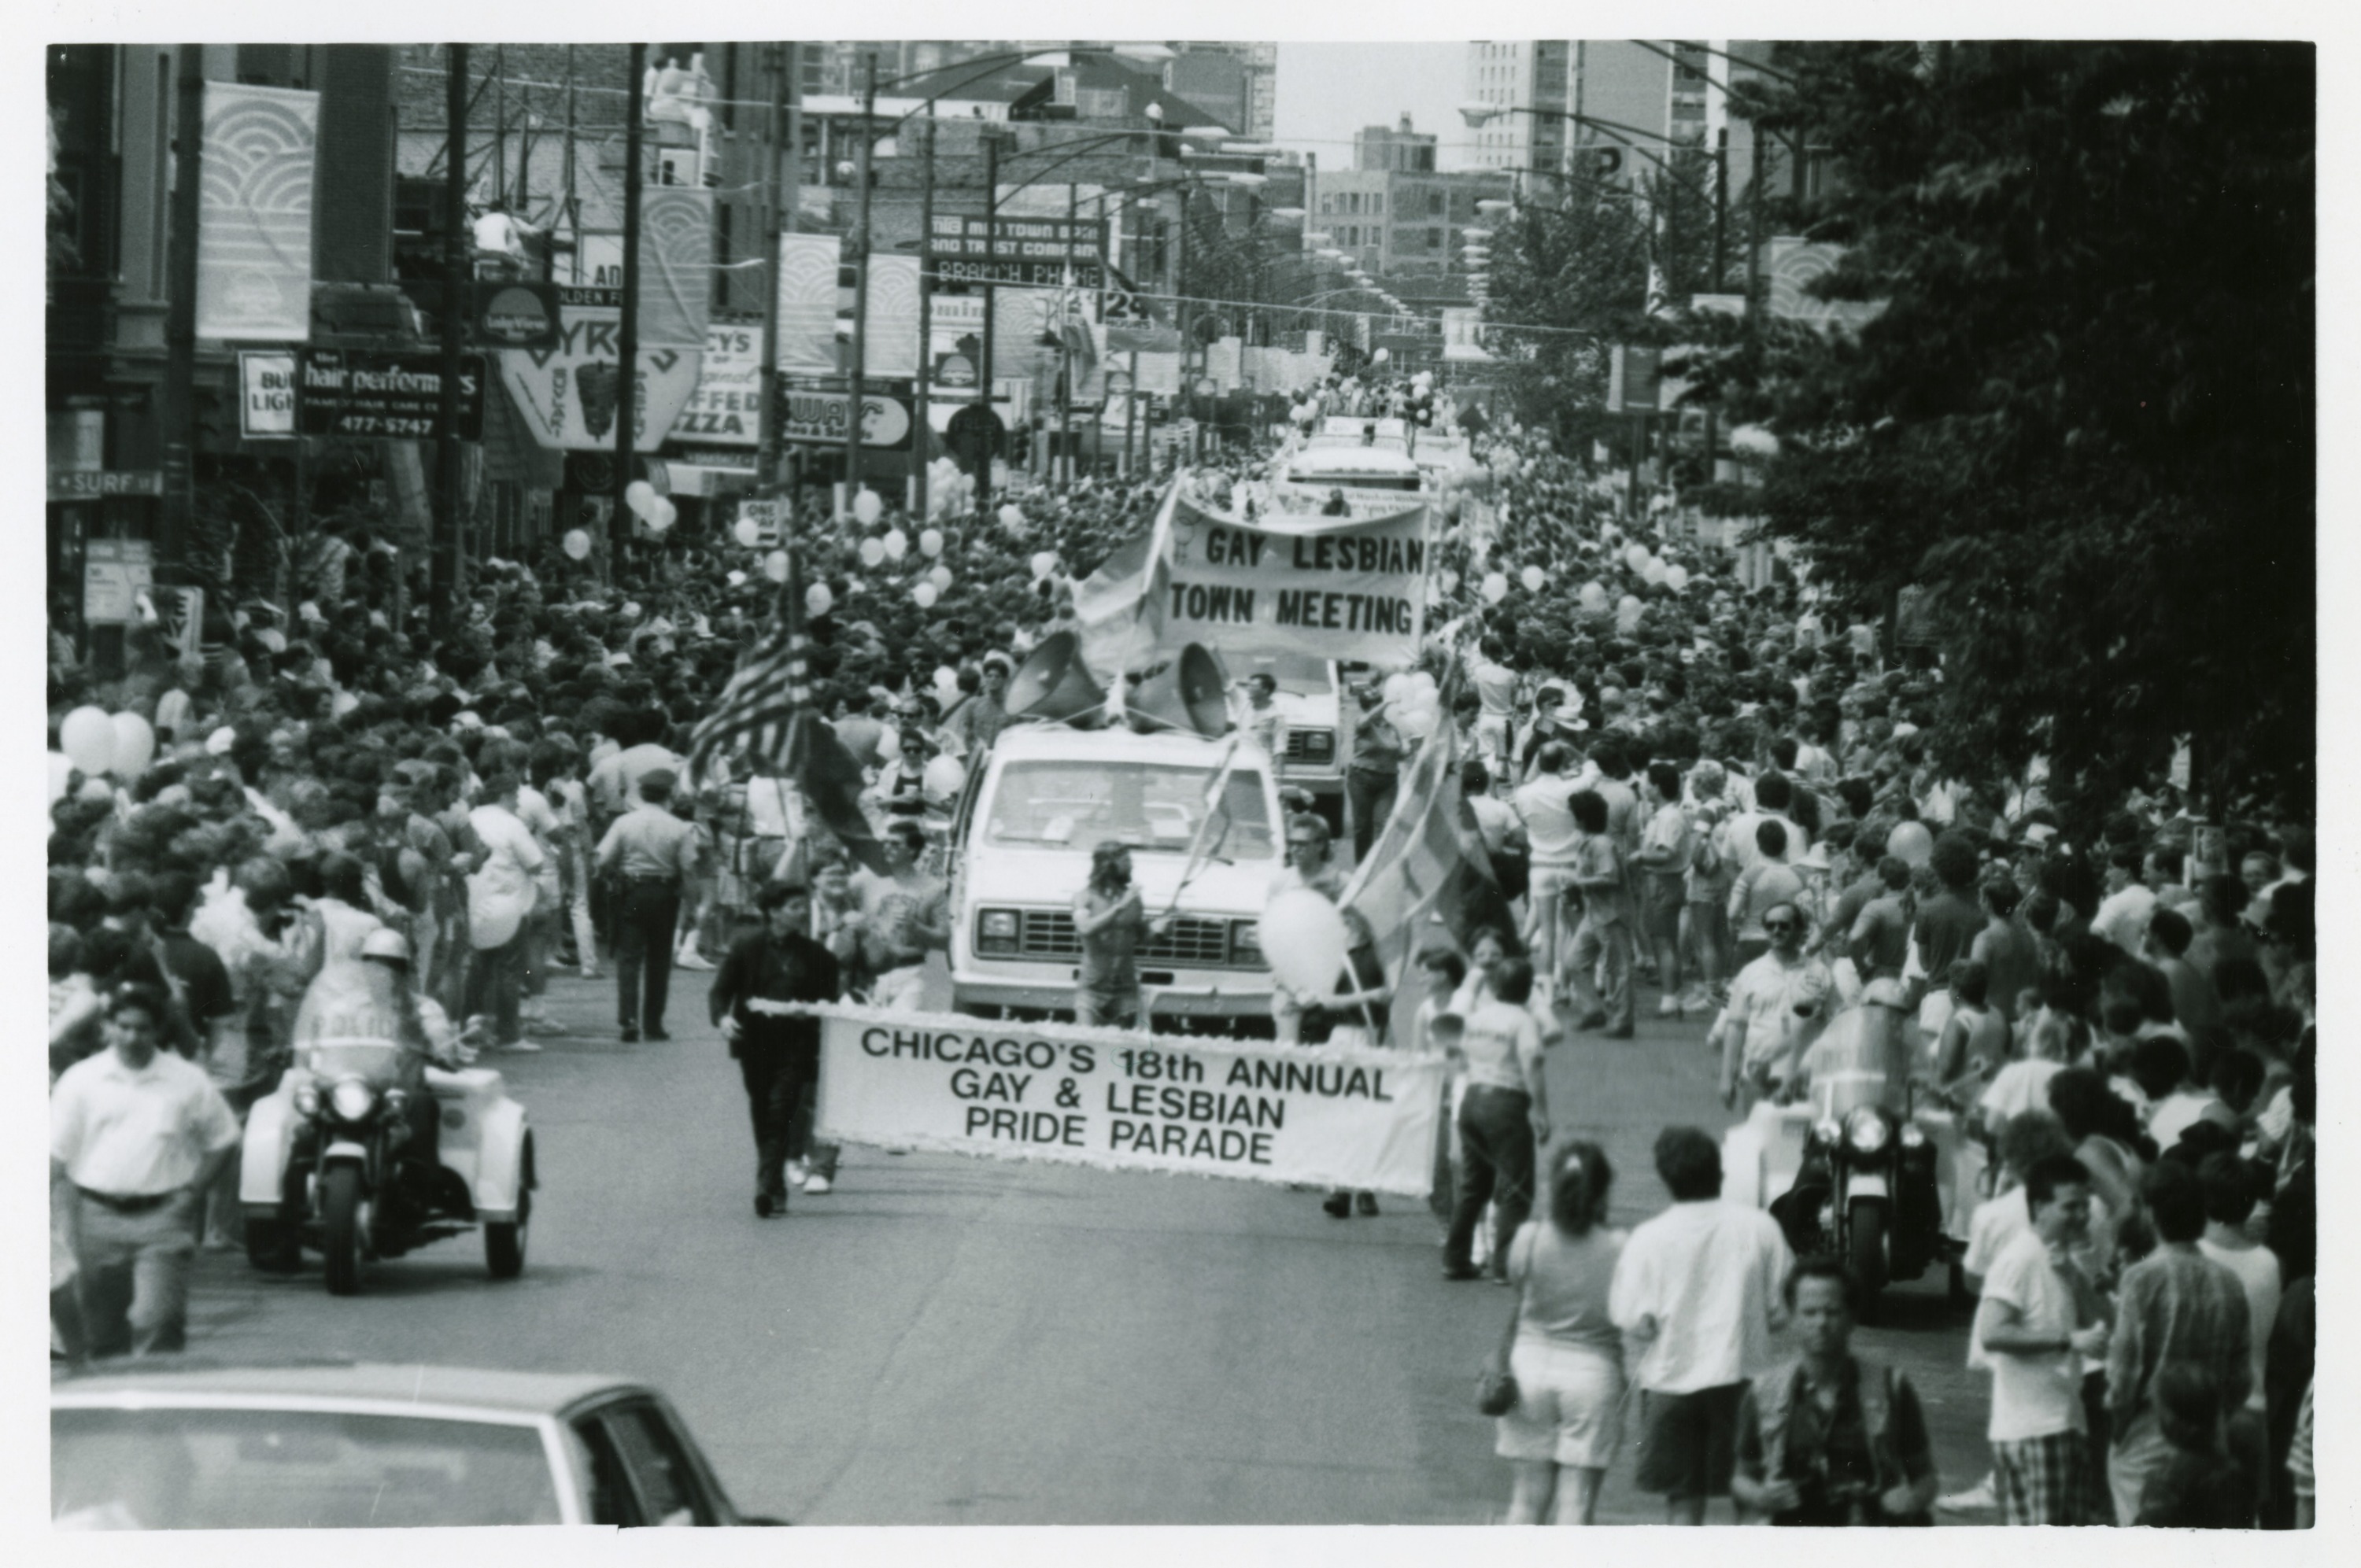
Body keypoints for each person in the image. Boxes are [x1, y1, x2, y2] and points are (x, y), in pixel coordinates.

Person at [1608, 1126, 1794, 1525]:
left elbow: (1635, 1323)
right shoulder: (1761, 1228)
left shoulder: (1648, 1238)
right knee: (1750, 1498)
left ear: (1665, 1179)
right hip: (1745, 1380)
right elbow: (1781, 1313)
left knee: (1684, 1503)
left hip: (1671, 1384)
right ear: (1721, 1172)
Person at [50, 984, 243, 1360]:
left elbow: (224, 1139)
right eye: (123, 1027)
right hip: (96, 1219)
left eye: (142, 1029)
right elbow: (55, 1152)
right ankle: (110, 1409)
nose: (132, 1037)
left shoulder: (185, 1080)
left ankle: (157, 1411)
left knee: (158, 1320)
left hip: (164, 1219)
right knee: (103, 1333)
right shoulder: (81, 1080)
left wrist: (193, 1192)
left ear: (157, 1031)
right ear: (107, 1027)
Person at [1730, 1257, 1941, 1526]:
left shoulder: (1891, 1388)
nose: (1821, 1322)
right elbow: (1741, 1478)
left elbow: (1926, 1477)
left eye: (1832, 1311)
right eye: (1809, 1312)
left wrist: (1912, 1498)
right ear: (1793, 1318)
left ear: (1852, 1318)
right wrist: (1761, 1496)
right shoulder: (1764, 1392)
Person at [2107, 1158, 2253, 1525]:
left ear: (2152, 1214)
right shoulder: (2228, 1282)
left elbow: (2124, 1375)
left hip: (2148, 1430)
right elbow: (2241, 1377)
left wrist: (2119, 1430)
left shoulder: (2140, 1279)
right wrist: (2217, 1416)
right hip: (2210, 1436)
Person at [1488, 1142, 1627, 1525]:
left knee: (1526, 1502)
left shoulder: (1529, 1238)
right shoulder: (1619, 1248)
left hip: (1529, 1371)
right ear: (1603, 1192)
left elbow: (1518, 1288)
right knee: (1575, 1506)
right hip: (1593, 1378)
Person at [1975, 1153, 2114, 1525]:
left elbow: (2103, 1320)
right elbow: (1992, 1332)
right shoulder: (2020, 1259)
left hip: (2063, 1424)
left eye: (2085, 1206)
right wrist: (2068, 1340)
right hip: (2035, 1431)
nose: (2082, 1216)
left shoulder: (2059, 1258)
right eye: (2070, 1207)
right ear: (2040, 1207)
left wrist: (2072, 1273)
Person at [708, 880, 841, 1218]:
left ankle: (767, 1185)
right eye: (794, 907)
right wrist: (723, 1019)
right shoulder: (746, 947)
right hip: (754, 1042)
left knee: (782, 1109)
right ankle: (772, 1178)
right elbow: (721, 991)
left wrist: (809, 1010)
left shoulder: (818, 956)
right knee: (761, 1109)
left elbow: (830, 1002)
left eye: (802, 907)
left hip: (796, 1045)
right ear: (773, 912)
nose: (801, 913)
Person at [1443, 957, 1551, 1283]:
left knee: (1474, 1185)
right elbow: (1532, 1061)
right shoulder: (1522, 1020)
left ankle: (1455, 1257)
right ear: (1528, 989)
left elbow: (1457, 1052)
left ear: (1494, 987)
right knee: (1516, 1186)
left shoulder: (1477, 1018)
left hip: (1473, 1097)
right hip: (1506, 1102)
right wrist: (1542, 1112)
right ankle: (1505, 1265)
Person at [596, 768, 700, 1042]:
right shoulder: (678, 827)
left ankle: (628, 1019)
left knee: (628, 957)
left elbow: (603, 859)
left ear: (641, 793)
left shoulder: (624, 823)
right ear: (669, 795)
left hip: (632, 892)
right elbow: (689, 871)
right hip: (665, 894)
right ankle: (654, 1023)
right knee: (659, 959)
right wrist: (692, 908)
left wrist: (613, 875)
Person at [1713, 902, 1831, 1109]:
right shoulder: (1751, 973)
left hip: (1805, 1077)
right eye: (1770, 925)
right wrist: (1726, 1078)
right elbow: (1736, 1027)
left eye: (1784, 925)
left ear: (1800, 930)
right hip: (1759, 1075)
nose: (1776, 930)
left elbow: (1836, 1024)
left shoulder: (1819, 972)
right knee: (1760, 1139)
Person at [463, 768, 545, 1052]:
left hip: (473, 901)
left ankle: (473, 1028)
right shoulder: (513, 825)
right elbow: (535, 863)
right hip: (507, 904)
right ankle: (508, 1033)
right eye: (515, 797)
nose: (518, 803)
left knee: (478, 969)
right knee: (509, 969)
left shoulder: (469, 818)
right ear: (505, 795)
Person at [847, 818, 949, 1013]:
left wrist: (916, 928)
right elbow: (832, 895)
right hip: (869, 973)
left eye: (895, 844)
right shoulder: (864, 880)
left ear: (912, 850)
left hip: (911, 974)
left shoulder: (932, 889)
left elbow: (944, 940)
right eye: (884, 843)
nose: (886, 848)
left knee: (901, 1029)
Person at [1563, 788, 1634, 1038]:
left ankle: (1622, 1021)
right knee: (1574, 961)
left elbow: (1610, 876)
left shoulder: (1601, 844)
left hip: (1612, 914)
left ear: (1581, 819)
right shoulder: (1589, 842)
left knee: (1618, 969)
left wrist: (1577, 881)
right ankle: (1593, 1009)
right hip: (1595, 914)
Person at [1073, 841, 1162, 1028]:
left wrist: (1159, 932)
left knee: (1123, 1050)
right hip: (1092, 989)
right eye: (1126, 861)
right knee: (1088, 1042)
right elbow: (1085, 928)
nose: (1131, 865)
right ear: (1109, 864)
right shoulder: (1084, 897)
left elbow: (1143, 939)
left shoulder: (1135, 900)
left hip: (1126, 990)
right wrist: (1120, 906)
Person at [1631, 762, 1693, 1018]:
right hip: (1663, 882)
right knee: (1664, 940)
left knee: (1663, 941)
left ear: (1657, 787)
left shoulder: (1669, 817)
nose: (1645, 788)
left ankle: (1669, 998)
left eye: (1648, 783)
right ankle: (1673, 995)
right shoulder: (1665, 815)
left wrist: (1639, 857)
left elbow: (1665, 853)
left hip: (1663, 882)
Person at [1344, 684, 1404, 861]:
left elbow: (1398, 754)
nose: (1378, 707)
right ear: (1367, 706)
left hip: (1388, 781)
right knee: (1363, 827)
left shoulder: (1391, 728)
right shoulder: (1362, 724)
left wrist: (1415, 749)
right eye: (1374, 704)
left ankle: (1378, 866)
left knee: (1384, 825)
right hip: (1362, 779)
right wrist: (1386, 702)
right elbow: (1365, 721)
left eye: (1378, 702)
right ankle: (1362, 866)